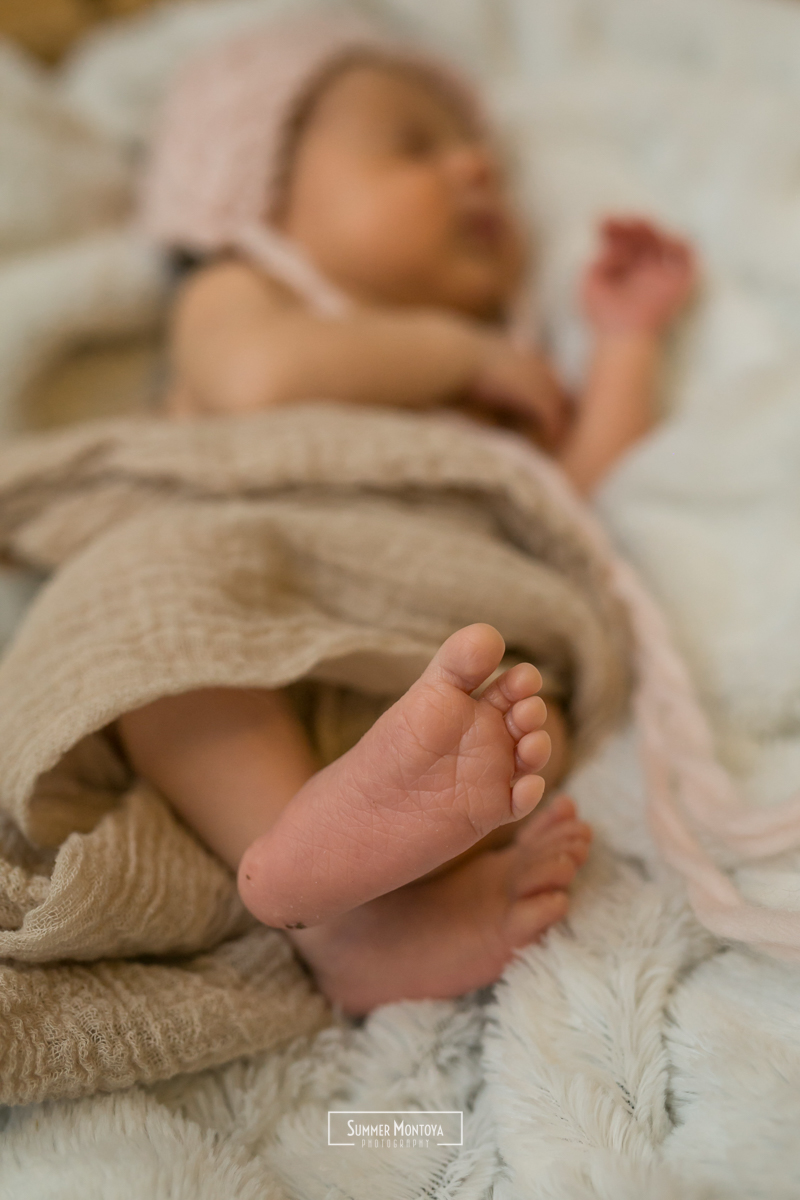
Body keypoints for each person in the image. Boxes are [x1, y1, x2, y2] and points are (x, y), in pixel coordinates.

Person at [120, 10, 696, 1014]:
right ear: (255, 190)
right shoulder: (249, 287)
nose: (477, 168)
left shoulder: (490, 381)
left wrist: (623, 342)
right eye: (414, 144)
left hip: (417, 645)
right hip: (246, 575)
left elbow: (565, 497)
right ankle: (317, 883)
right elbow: (256, 382)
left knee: (517, 712)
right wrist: (459, 354)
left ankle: (374, 891)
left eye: (487, 162)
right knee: (158, 640)